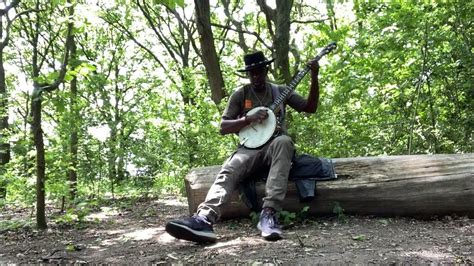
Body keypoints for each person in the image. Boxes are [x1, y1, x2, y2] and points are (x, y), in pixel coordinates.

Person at [165, 51, 320, 243]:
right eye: (252, 73)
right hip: (249, 149)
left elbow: (310, 107)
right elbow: (223, 127)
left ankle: (269, 215)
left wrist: (314, 76)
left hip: (275, 147)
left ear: (266, 70)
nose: (256, 77)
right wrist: (248, 119)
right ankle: (204, 219)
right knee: (228, 171)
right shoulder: (241, 94)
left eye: (259, 72)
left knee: (284, 141)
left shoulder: (280, 91)